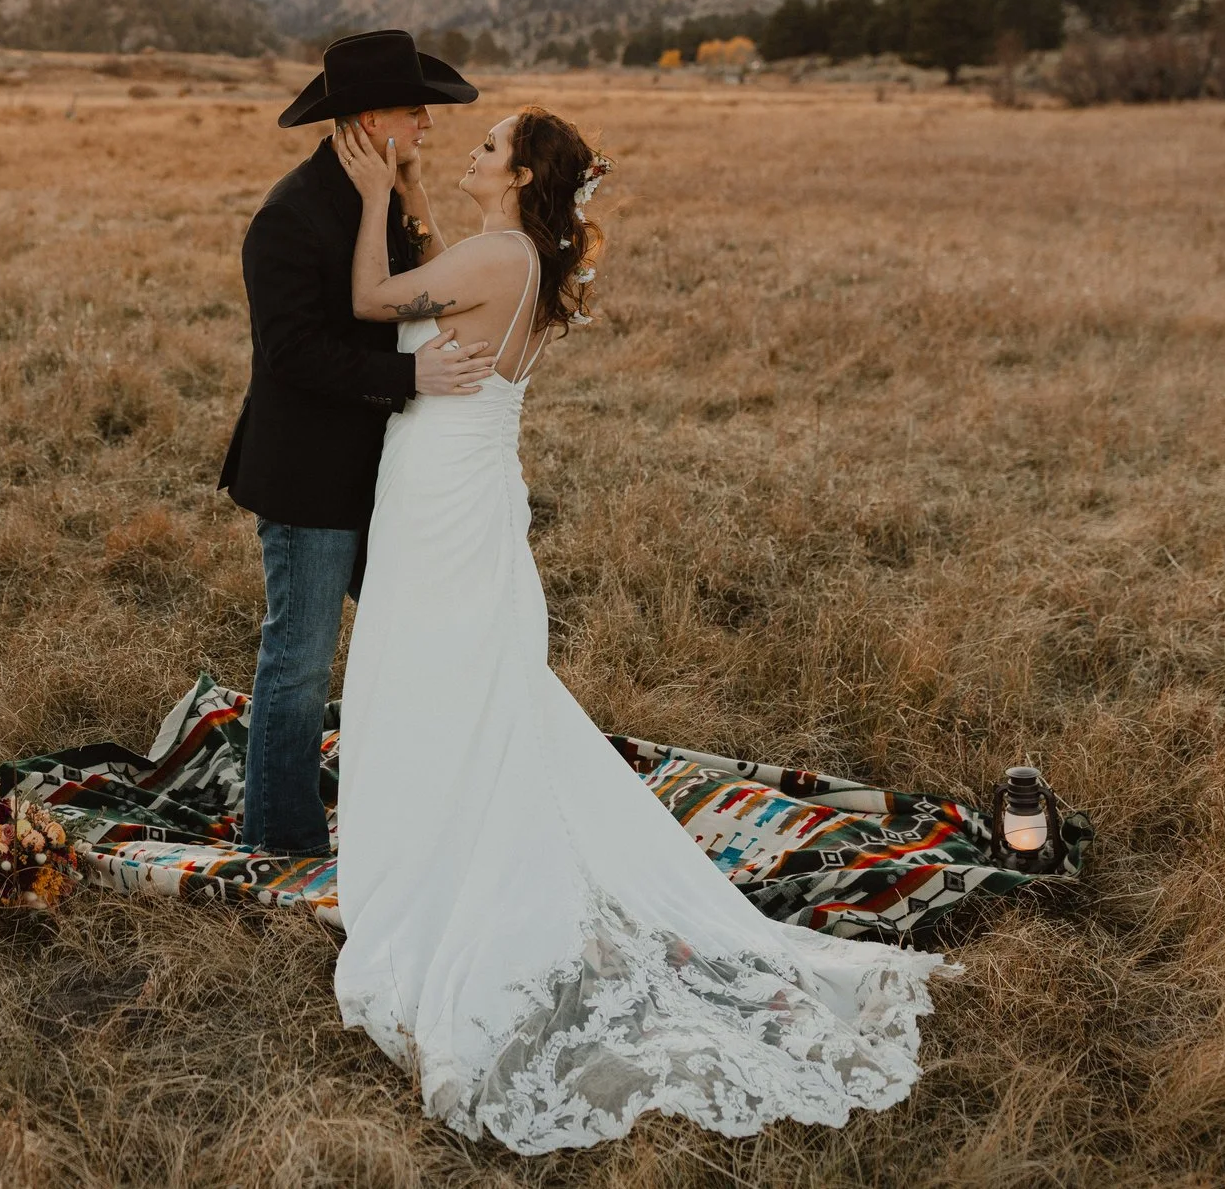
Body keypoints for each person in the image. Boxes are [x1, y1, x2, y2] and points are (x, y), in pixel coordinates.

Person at [328, 104, 951, 1154]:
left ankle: (450, 865)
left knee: (434, 670)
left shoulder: (495, 257)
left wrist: (373, 195)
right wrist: (415, 197)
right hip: (464, 488)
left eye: (487, 146)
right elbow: (443, 278)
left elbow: (367, 298)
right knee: (467, 676)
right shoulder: (514, 259)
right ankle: (453, 820)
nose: (471, 152)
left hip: (439, 496)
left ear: (520, 175)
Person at [218, 29, 496, 857]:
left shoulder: (388, 206)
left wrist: (406, 194)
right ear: (372, 121)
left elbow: (428, 296)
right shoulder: (289, 216)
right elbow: (291, 354)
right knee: (300, 664)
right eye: (416, 114)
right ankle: (281, 838)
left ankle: (407, 811)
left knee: (408, 645)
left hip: (390, 477)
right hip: (309, 478)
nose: (429, 127)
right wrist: (413, 382)